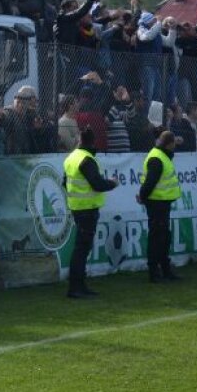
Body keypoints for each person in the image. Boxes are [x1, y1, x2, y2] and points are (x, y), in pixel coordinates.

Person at [62, 127, 118, 298]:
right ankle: (76, 287)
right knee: (82, 249)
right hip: (87, 208)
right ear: (93, 141)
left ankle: (79, 285)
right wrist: (112, 183)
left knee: (81, 248)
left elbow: (64, 182)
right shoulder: (87, 159)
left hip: (77, 207)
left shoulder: (71, 158)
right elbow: (97, 184)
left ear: (80, 139)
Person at [138, 130, 182, 283]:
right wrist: (142, 196)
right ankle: (154, 271)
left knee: (163, 237)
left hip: (162, 202)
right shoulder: (157, 158)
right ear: (169, 144)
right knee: (157, 237)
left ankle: (164, 269)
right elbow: (150, 181)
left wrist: (143, 196)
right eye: (174, 144)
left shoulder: (160, 156)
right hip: (157, 203)